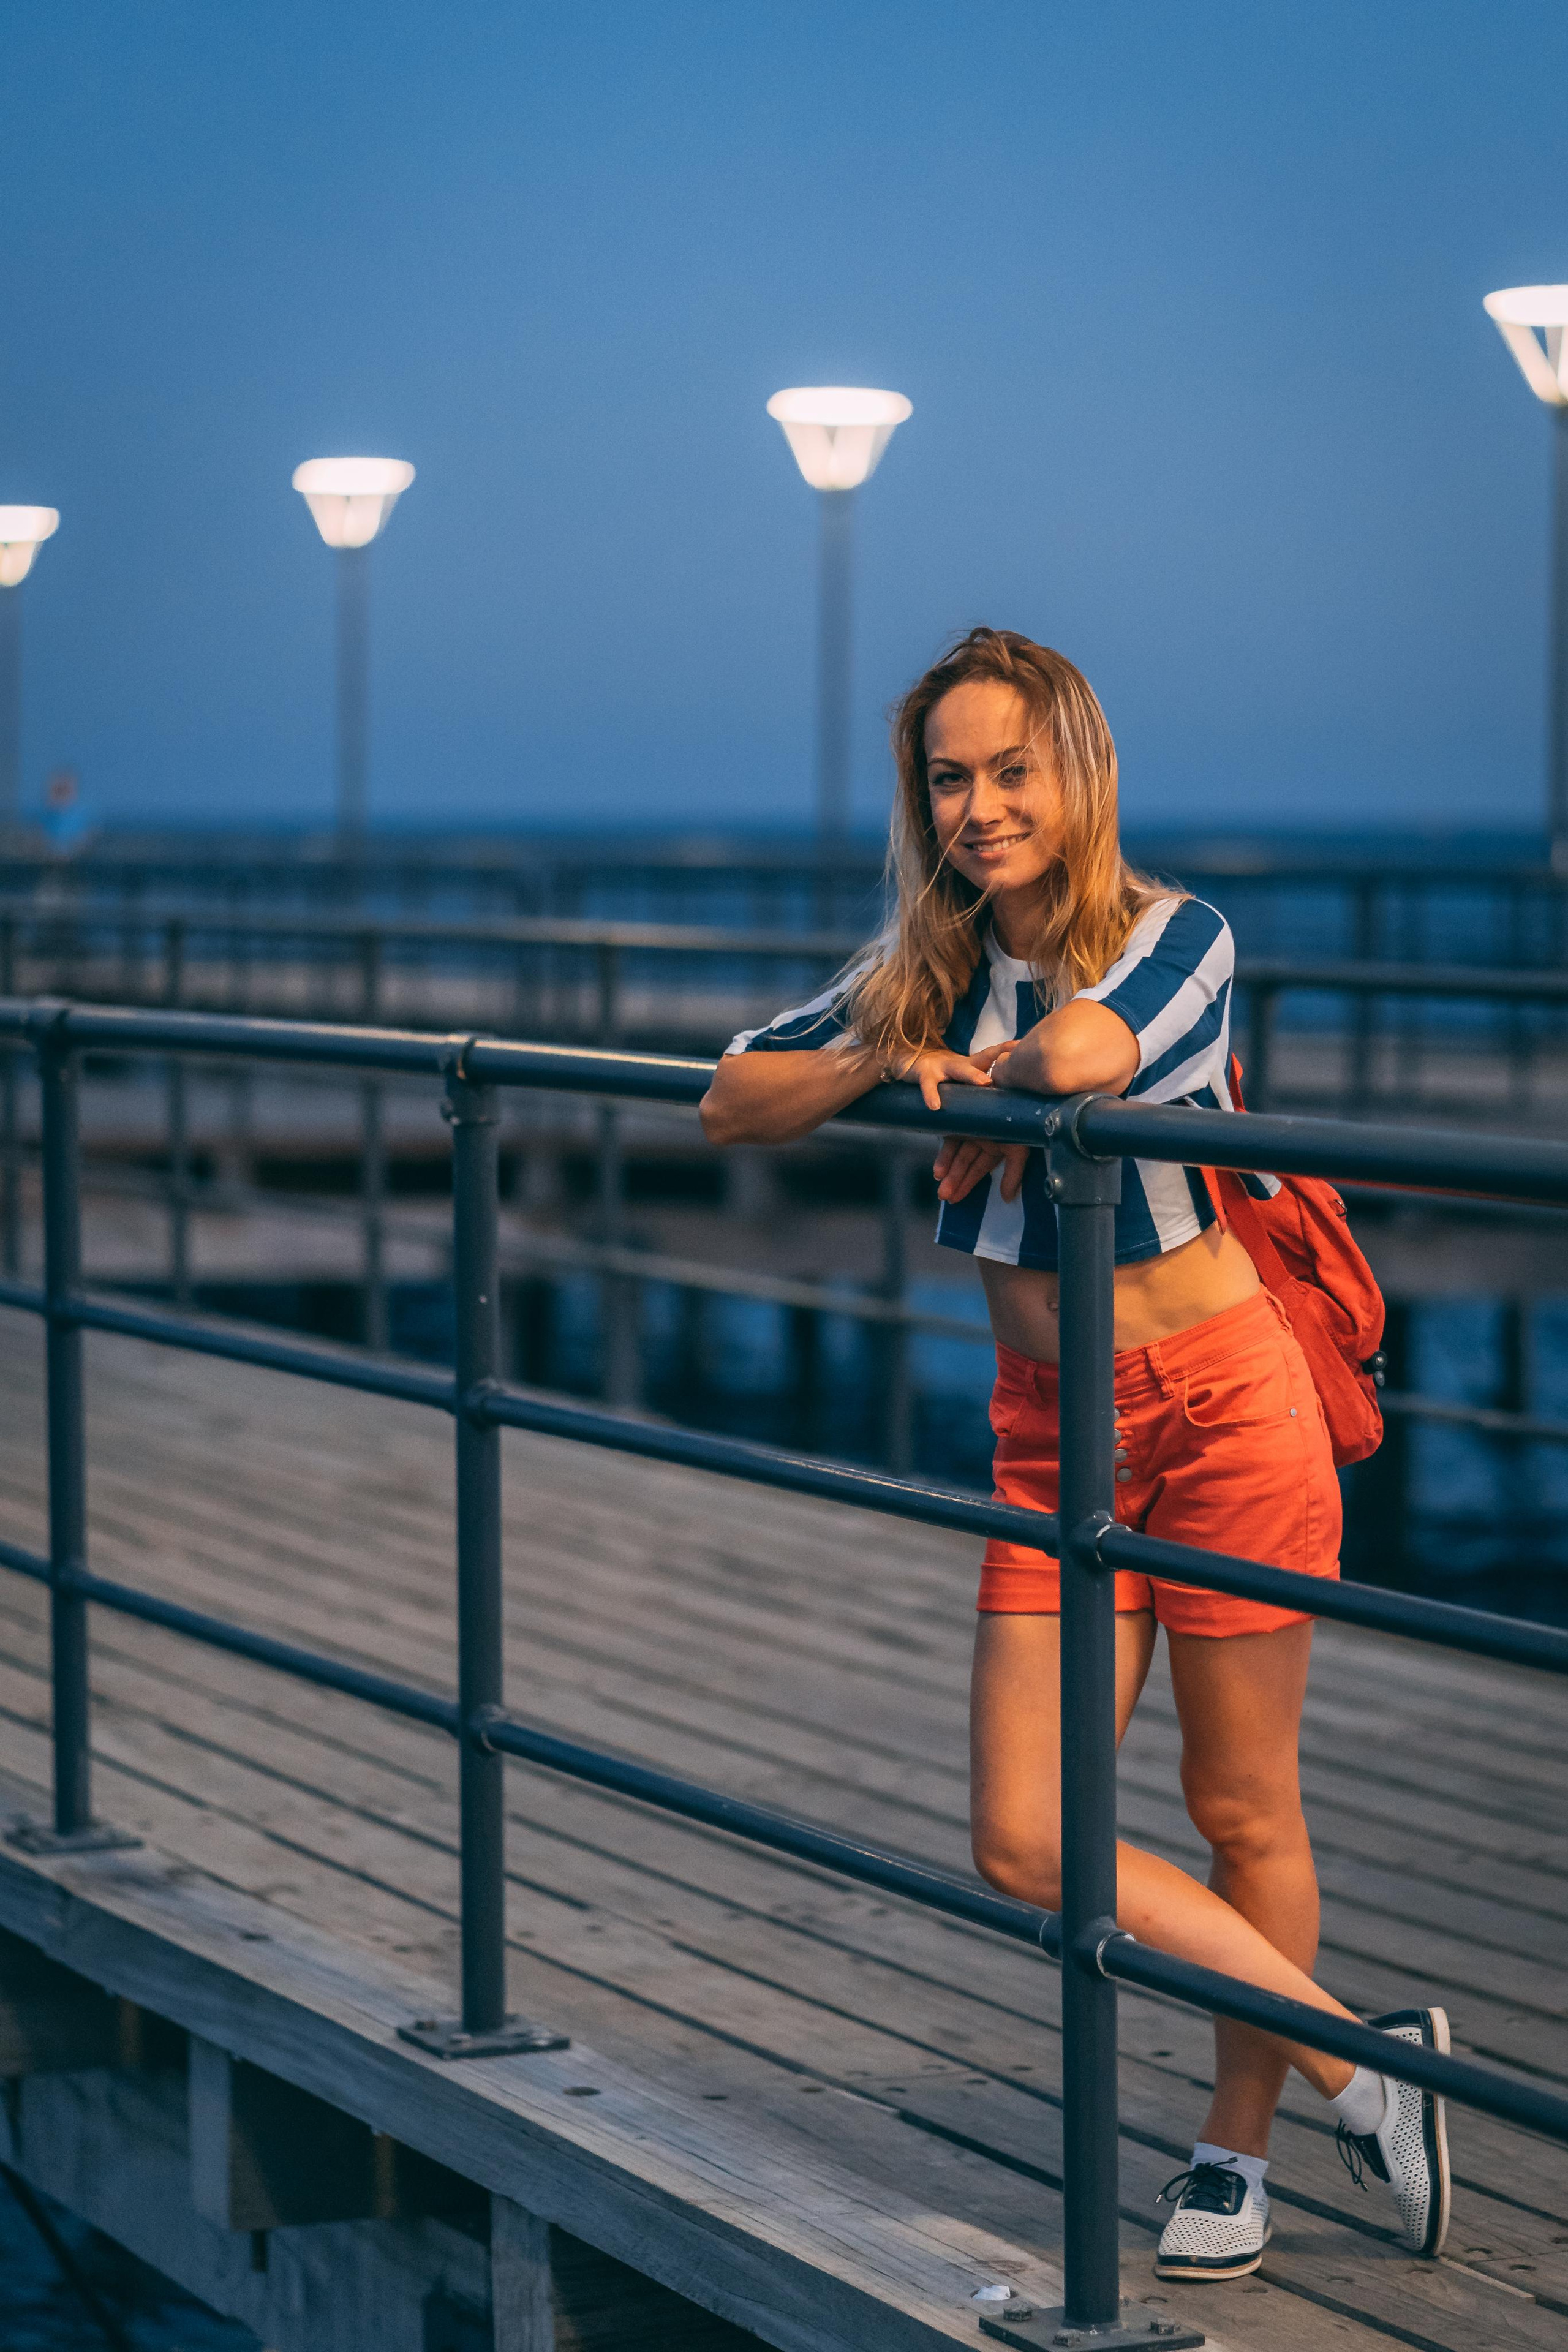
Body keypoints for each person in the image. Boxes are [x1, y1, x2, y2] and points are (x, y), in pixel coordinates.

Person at [699, 627, 1449, 2285]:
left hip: (1223, 1397)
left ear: (1077, 771)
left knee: (1238, 1804)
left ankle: (1230, 2161)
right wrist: (885, 1061)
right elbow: (728, 1102)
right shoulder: (923, 967)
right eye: (949, 779)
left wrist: (998, 1065)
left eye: (1009, 771)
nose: (979, 807)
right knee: (1025, 1836)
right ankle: (1367, 2062)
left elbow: (1097, 1056)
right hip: (1052, 1438)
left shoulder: (1175, 936)